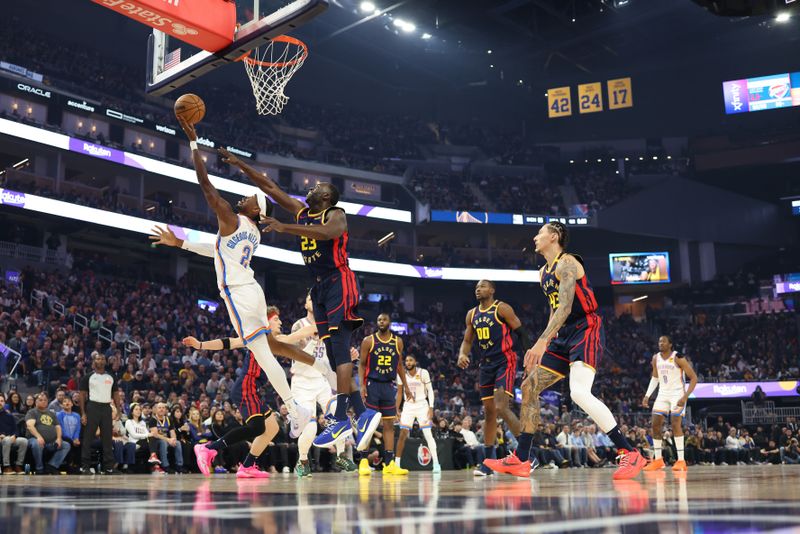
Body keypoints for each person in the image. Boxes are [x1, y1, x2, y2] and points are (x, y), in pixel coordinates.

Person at [149, 118, 311, 440]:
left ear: (255, 210)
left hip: (239, 293)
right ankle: (296, 409)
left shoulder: (233, 219)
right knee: (263, 354)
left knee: (263, 355)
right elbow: (218, 252)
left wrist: (194, 143)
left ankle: (295, 409)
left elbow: (206, 187)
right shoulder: (251, 233)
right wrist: (179, 243)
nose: (245, 198)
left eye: (250, 198)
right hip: (252, 291)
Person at [225, 146, 382, 451]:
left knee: (338, 348)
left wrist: (284, 228)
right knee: (335, 357)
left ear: (327, 197)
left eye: (317, 187)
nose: (311, 188)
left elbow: (326, 233)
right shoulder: (302, 212)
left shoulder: (335, 214)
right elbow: (270, 187)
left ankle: (340, 417)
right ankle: (361, 415)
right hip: (319, 287)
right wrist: (239, 164)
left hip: (340, 280)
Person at [519, 222, 645, 480]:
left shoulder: (568, 263)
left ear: (553, 237)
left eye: (539, 233)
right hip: (562, 334)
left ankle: (629, 451)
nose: (535, 237)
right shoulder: (543, 272)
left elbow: (566, 306)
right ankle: (521, 458)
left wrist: (541, 341)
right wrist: (547, 339)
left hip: (585, 327)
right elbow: (555, 310)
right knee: (530, 386)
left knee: (578, 392)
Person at [183, 325, 322, 479]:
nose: (280, 323)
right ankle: (209, 448)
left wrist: (314, 339)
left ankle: (247, 465)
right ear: (267, 322)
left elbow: (295, 343)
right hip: (245, 387)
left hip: (252, 388)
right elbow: (227, 342)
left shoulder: (272, 341)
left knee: (271, 428)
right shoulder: (258, 335)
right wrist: (200, 345)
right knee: (256, 428)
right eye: (276, 319)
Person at [457, 280, 531, 476]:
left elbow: (522, 333)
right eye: (475, 287)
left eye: (482, 286)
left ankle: (526, 454)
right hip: (485, 364)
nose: (478, 289)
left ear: (492, 290)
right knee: (489, 413)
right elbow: (466, 341)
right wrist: (462, 354)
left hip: (505, 360)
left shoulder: (502, 308)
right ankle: (488, 463)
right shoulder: (471, 314)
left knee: (500, 407)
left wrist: (530, 359)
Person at [287, 298, 356, 476]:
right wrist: (310, 339)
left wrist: (348, 356)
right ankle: (302, 461)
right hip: (301, 382)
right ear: (306, 304)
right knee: (310, 428)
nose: (315, 301)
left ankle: (341, 455)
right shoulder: (299, 325)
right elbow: (293, 350)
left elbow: (332, 356)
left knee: (339, 414)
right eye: (311, 298)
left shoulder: (327, 327)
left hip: (320, 380)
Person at [358, 313, 411, 476]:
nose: (381, 322)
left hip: (388, 386)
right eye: (379, 319)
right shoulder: (369, 341)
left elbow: (399, 365)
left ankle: (389, 463)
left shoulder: (398, 342)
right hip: (372, 385)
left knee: (389, 425)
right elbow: (361, 364)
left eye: (384, 319)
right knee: (369, 425)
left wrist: (406, 386)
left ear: (390, 322)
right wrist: (362, 385)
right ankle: (364, 461)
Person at [641, 335, 698, 472]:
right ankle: (658, 460)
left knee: (675, 424)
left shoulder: (678, 357)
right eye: (659, 341)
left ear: (670, 344)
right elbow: (655, 378)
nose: (660, 343)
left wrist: (685, 396)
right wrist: (647, 395)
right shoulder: (656, 358)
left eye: (663, 341)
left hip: (677, 394)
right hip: (662, 394)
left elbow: (694, 378)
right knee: (655, 425)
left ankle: (681, 461)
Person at [395, 354, 441, 473]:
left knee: (427, 434)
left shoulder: (423, 373)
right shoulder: (401, 374)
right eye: (406, 361)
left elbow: (430, 390)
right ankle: (397, 464)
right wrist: (396, 408)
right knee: (403, 434)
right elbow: (400, 393)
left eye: (410, 360)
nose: (408, 362)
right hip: (408, 406)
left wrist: (431, 408)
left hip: (422, 405)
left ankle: (436, 463)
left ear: (415, 362)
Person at [78, 353, 120, 475]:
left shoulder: (111, 376)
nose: (100, 360)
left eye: (102, 358)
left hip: (106, 407)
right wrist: (83, 413)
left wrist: (118, 409)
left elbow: (116, 394)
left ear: (105, 361)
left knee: (107, 438)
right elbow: (81, 395)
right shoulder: (88, 377)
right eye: (98, 358)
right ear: (94, 361)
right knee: (88, 438)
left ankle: (108, 467)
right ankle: (85, 466)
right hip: (92, 407)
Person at [25, 392, 71, 475]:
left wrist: (59, 438)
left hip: (51, 442)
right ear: (36, 402)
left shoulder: (51, 413)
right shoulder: (32, 412)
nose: (43, 401)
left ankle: (51, 466)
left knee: (66, 445)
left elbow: (58, 427)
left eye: (45, 400)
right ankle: (39, 468)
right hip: (34, 439)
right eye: (40, 400)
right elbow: (30, 426)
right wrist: (38, 437)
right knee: (36, 443)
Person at [148, 402, 184, 474]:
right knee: (163, 442)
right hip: (157, 441)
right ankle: (165, 466)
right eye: (159, 408)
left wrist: (173, 439)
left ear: (165, 410)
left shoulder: (168, 419)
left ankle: (179, 465)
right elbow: (155, 434)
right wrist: (168, 439)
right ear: (156, 409)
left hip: (168, 440)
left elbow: (172, 432)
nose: (161, 409)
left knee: (178, 443)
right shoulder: (153, 419)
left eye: (163, 408)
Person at [0, 393, 27, 473]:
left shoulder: (9, 415)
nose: (0, 403)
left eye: (1, 401)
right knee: (7, 439)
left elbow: (15, 429)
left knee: (24, 441)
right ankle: (6, 466)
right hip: (2, 439)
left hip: (9, 438)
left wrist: (15, 436)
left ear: (4, 403)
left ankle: (18, 465)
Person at [124, 403, 152, 470]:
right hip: (134, 442)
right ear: (132, 412)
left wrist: (148, 435)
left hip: (143, 441)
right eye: (136, 409)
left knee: (153, 442)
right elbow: (134, 435)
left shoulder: (142, 422)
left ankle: (150, 466)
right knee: (149, 444)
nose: (138, 411)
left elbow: (147, 433)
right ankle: (152, 465)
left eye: (140, 409)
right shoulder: (129, 421)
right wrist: (147, 435)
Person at [56, 396, 81, 471]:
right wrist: (72, 440)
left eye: (69, 401)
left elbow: (78, 428)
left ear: (72, 404)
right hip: (63, 437)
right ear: (61, 405)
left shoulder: (77, 415)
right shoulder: (59, 415)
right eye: (64, 401)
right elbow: (61, 429)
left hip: (74, 438)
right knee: (69, 443)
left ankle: (77, 465)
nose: (67, 403)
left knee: (80, 444)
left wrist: (76, 438)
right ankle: (69, 465)